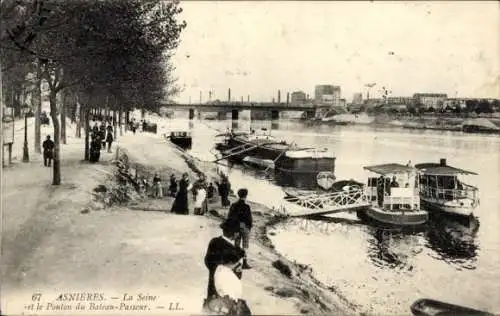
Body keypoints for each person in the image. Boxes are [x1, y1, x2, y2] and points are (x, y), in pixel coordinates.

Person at [203, 219, 246, 312]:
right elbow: (238, 274)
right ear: (235, 234)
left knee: (212, 306)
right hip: (228, 288)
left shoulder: (214, 241)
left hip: (213, 283)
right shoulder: (235, 251)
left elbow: (207, 261)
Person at [227, 189, 253, 270]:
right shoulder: (247, 207)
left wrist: (233, 228)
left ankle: (236, 262)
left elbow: (230, 217)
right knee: (245, 245)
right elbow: (249, 219)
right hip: (244, 227)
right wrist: (248, 227)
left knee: (237, 245)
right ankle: (244, 263)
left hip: (236, 227)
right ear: (245, 196)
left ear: (238, 195)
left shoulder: (233, 205)